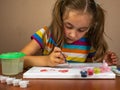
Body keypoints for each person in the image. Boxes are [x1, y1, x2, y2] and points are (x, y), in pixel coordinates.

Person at [21, 0, 118, 68]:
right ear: (60, 18)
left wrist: (103, 62)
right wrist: (46, 60)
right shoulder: (46, 34)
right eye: (69, 26)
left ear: (90, 27)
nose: (73, 35)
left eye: (81, 30)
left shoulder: (88, 41)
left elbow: (87, 67)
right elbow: (19, 60)